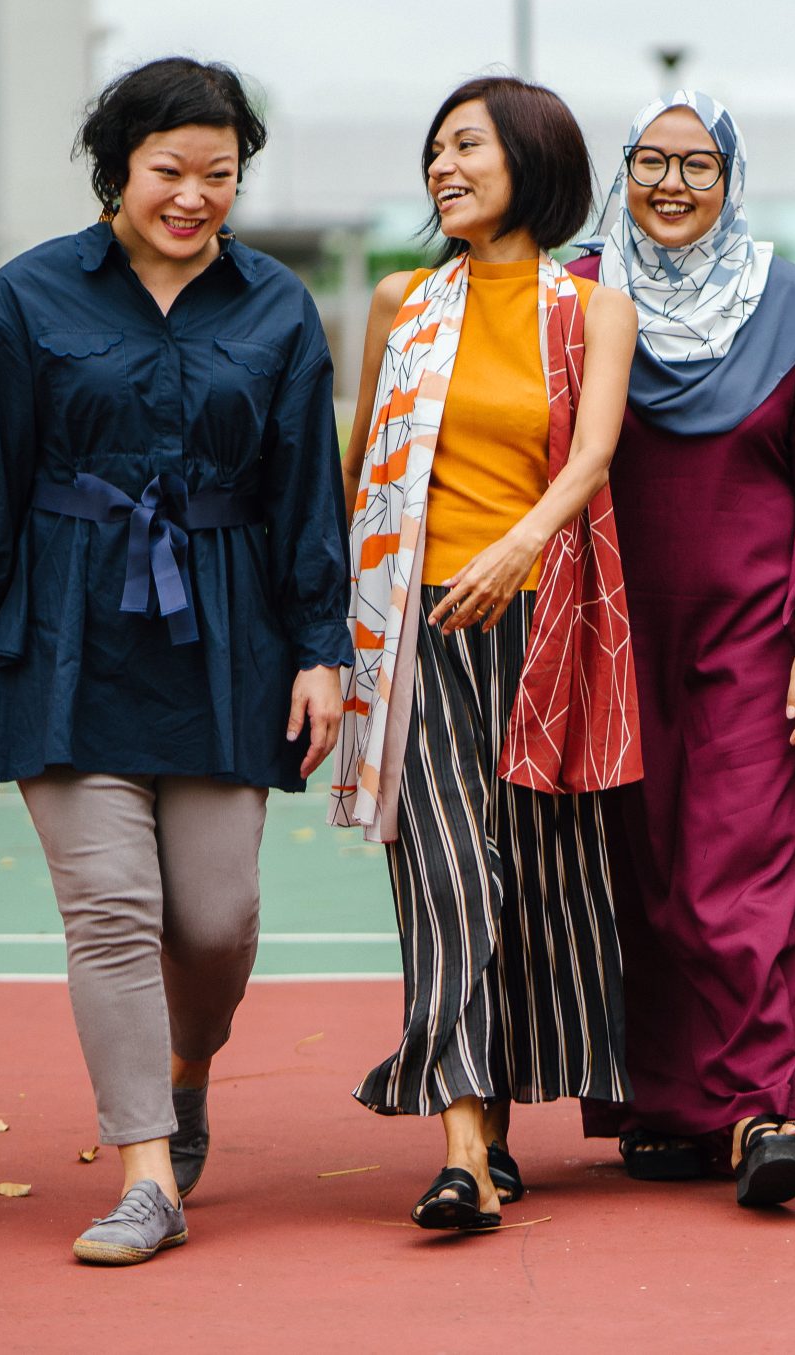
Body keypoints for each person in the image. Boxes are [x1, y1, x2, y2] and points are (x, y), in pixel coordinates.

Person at [0, 58, 350, 1266]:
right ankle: (146, 1175)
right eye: (171, 170)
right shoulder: (26, 299)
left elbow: (305, 491)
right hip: (65, 634)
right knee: (111, 912)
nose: (195, 196)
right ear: (116, 171)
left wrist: (322, 651)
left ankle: (184, 1066)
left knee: (215, 919)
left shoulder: (275, 309)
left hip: (226, 640)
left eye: (219, 174)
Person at [335, 76, 642, 1233]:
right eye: (435, 150)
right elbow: (363, 463)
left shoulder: (589, 309)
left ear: (532, 159)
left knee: (538, 878)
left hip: (544, 618)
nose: (442, 168)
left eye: (467, 146)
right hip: (412, 626)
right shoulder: (398, 301)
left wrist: (517, 548)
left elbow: (594, 458)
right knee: (446, 871)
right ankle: (463, 1146)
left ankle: (500, 1118)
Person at [564, 91, 795, 1208]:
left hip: (759, 637)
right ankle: (666, 1104)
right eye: (650, 161)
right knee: (636, 869)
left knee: (734, 876)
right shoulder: (580, 296)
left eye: (697, 164)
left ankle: (761, 1107)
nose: (671, 184)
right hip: (610, 636)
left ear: (731, 177)